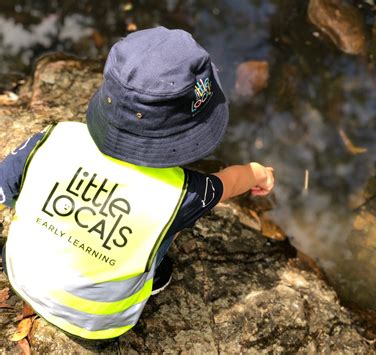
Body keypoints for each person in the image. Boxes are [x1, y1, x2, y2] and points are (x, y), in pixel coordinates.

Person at [0, 27, 274, 340]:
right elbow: (230, 182)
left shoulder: (53, 139)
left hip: (19, 275)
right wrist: (258, 173)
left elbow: (5, 190)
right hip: (95, 325)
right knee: (164, 227)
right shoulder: (181, 193)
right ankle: (152, 276)